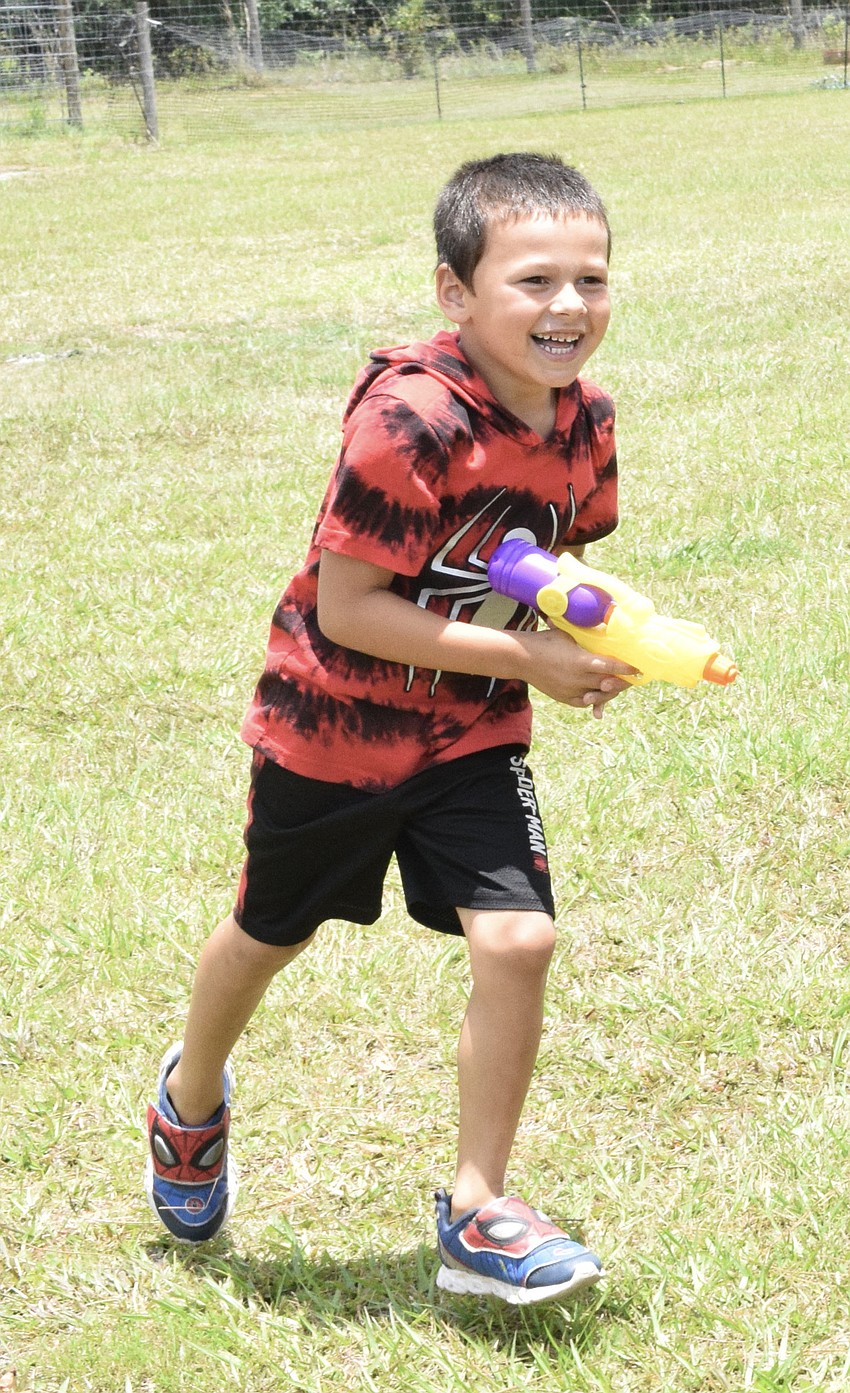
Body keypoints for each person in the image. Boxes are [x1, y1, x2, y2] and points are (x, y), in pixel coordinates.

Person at [145, 151, 634, 1306]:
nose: (567, 307)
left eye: (591, 280)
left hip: (469, 734)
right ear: (454, 294)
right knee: (270, 931)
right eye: (532, 282)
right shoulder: (409, 416)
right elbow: (349, 607)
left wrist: (596, 626)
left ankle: (479, 1209)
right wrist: (531, 658)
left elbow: (543, 557)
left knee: (518, 939)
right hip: (335, 734)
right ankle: (191, 1092)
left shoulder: (586, 421)